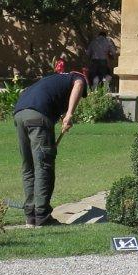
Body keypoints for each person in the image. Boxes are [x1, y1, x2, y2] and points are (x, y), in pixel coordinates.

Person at [13, 65, 87, 228]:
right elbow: (79, 84)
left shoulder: (51, 80)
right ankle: (42, 216)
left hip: (19, 114)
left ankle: (30, 216)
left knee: (29, 166)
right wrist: (69, 115)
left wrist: (61, 117)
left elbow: (46, 97)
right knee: (43, 166)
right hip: (38, 117)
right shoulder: (77, 78)